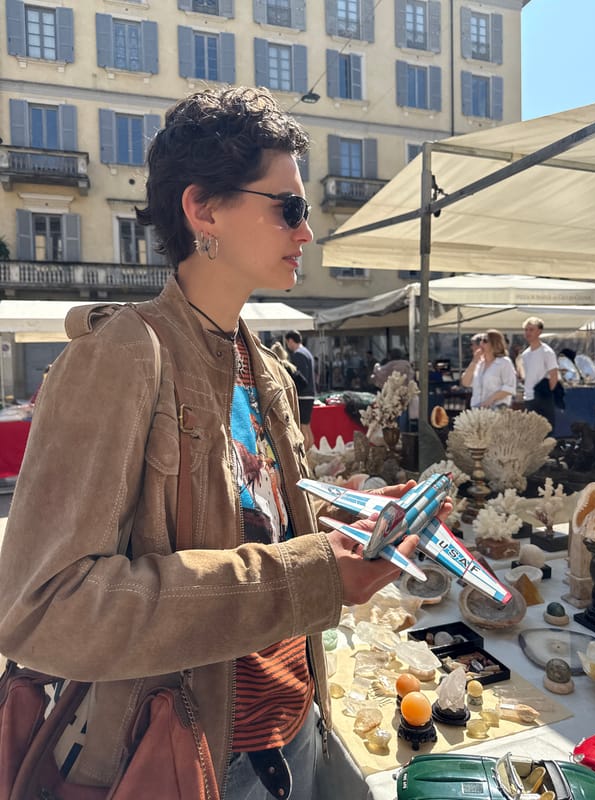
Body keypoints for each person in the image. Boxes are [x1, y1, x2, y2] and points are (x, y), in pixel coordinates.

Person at [0, 87, 450, 799]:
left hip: (298, 730)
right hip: (191, 758)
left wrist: (350, 528)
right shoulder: (121, 355)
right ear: (203, 209)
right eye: (289, 208)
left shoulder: (264, 367)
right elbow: (44, 609)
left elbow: (252, 530)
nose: (306, 233)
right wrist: (314, 575)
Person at [460, 328, 516, 409]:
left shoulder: (504, 362)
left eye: (485, 341)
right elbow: (465, 382)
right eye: (481, 341)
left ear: (494, 344)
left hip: (497, 408)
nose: (481, 343)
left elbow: (509, 387)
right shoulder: (479, 364)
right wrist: (474, 361)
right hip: (477, 409)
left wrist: (490, 400)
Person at [521, 316, 560, 429]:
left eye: (531, 329)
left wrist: (546, 395)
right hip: (529, 397)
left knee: (545, 431)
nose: (528, 333)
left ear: (539, 331)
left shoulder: (547, 352)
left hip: (543, 397)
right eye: (526, 330)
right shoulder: (525, 354)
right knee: (531, 433)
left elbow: (554, 375)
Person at [284, 329, 316, 450]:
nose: (288, 346)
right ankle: (310, 455)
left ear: (291, 341)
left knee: (303, 428)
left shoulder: (298, 354)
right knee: (307, 427)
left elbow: (301, 377)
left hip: (303, 394)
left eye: (287, 343)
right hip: (310, 393)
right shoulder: (307, 352)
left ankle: (305, 457)